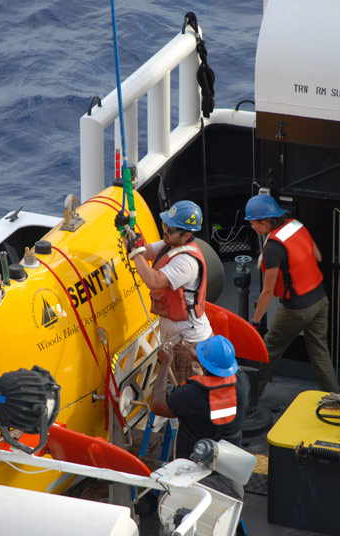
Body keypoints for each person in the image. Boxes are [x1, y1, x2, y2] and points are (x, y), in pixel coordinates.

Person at [244, 194, 340, 395]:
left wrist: (254, 322)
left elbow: (267, 292)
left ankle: (250, 402)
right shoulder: (296, 225)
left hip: (298, 308)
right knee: (320, 353)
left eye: (253, 224)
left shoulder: (272, 249)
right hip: (320, 300)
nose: (252, 228)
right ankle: (335, 399)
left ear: (264, 222)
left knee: (268, 350)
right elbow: (318, 256)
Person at [149, 334, 250, 500]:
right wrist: (197, 357)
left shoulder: (191, 394)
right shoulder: (242, 383)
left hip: (195, 470)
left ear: (205, 363)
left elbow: (157, 404)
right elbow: (220, 380)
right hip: (230, 468)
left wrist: (165, 363)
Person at [124, 200, 213, 384]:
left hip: (188, 343)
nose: (165, 231)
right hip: (178, 338)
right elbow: (146, 251)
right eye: (165, 225)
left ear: (187, 234)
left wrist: (134, 252)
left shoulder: (186, 263)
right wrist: (130, 236)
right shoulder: (170, 243)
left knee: (190, 395)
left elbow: (154, 281)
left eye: (171, 229)